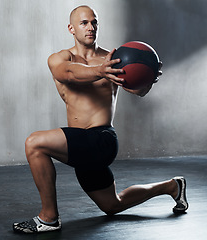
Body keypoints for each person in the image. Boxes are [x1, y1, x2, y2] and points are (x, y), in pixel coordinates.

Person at [13, 5, 188, 234]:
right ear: (71, 28)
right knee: (112, 204)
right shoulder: (60, 59)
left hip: (101, 140)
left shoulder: (113, 60)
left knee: (34, 143)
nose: (91, 27)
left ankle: (49, 218)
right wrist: (101, 71)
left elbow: (137, 91)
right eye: (84, 23)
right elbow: (68, 73)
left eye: (94, 22)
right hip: (81, 147)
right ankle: (173, 186)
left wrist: (147, 78)